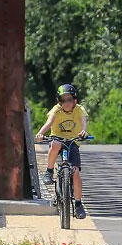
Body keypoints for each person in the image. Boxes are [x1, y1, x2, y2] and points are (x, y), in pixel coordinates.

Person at [36, 83, 90, 219]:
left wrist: (84, 131)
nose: (66, 103)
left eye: (69, 99)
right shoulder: (56, 110)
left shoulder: (79, 110)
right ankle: (49, 171)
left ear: (75, 100)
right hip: (58, 139)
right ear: (59, 102)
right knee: (55, 144)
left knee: (76, 173)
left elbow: (84, 123)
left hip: (73, 141)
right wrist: (40, 133)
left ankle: (78, 204)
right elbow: (49, 123)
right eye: (63, 100)